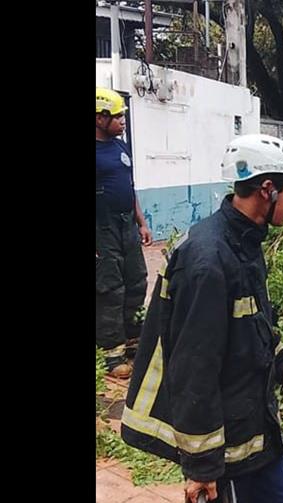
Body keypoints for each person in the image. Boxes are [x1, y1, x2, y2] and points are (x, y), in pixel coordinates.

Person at [121, 133, 283, 503]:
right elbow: (195, 368)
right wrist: (202, 468)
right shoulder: (208, 262)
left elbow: (253, 322)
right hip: (229, 455)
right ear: (267, 190)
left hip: (258, 430)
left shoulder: (245, 243)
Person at [96, 87, 152, 379]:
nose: (122, 121)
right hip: (101, 229)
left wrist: (141, 222)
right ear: (99, 119)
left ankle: (133, 342)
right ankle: (111, 355)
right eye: (117, 117)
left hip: (126, 224)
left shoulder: (120, 148)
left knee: (136, 281)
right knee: (110, 288)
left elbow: (129, 188)